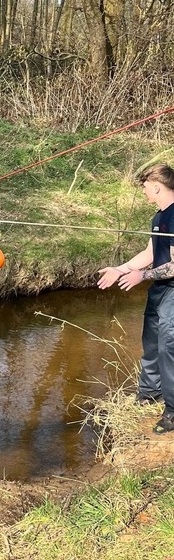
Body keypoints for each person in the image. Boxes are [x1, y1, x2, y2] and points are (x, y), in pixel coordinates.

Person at [97, 163, 174, 434]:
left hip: (173, 290)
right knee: (151, 341)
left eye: (145, 187)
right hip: (160, 288)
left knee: (169, 345)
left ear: (156, 186)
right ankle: (149, 393)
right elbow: (151, 252)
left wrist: (142, 276)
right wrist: (122, 269)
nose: (143, 191)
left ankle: (173, 411)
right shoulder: (159, 217)